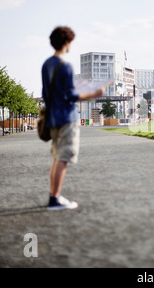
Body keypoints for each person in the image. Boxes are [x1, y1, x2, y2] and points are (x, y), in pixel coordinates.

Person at [42, 26, 105, 210]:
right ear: (67, 42)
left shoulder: (46, 64)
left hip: (52, 117)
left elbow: (45, 93)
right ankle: (55, 199)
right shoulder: (66, 66)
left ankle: (54, 197)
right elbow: (70, 95)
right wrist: (94, 93)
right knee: (64, 157)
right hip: (66, 118)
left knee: (57, 157)